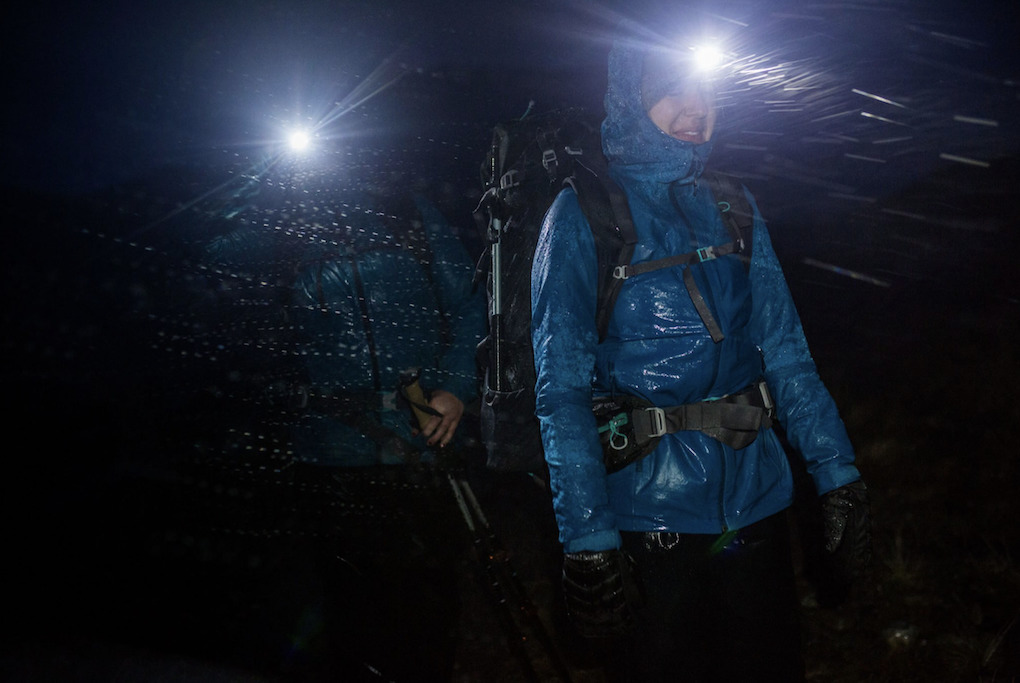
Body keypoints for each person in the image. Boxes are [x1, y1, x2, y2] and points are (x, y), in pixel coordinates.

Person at [530, 41, 871, 682]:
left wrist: (837, 474)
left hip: (756, 514)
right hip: (649, 524)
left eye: (708, 90)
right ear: (632, 98)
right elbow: (561, 392)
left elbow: (788, 356)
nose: (696, 108)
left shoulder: (733, 205)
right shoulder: (583, 213)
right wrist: (587, 538)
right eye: (672, 91)